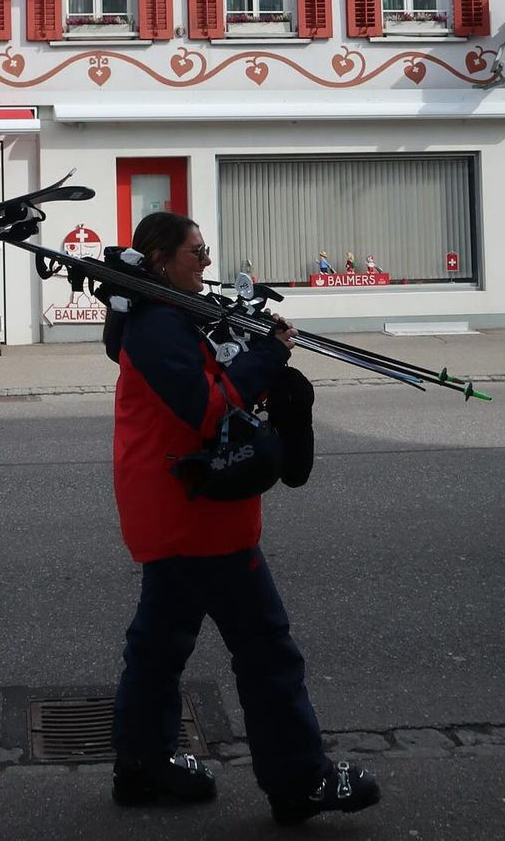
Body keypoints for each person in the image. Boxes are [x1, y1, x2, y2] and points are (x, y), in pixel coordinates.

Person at [106, 212, 380, 827]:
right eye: (195, 252)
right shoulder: (157, 325)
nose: (206, 261)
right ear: (159, 262)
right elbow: (207, 409)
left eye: (206, 250)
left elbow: (208, 382)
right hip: (196, 513)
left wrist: (251, 341)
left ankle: (143, 765)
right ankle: (299, 780)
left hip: (176, 504)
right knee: (266, 650)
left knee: (158, 647)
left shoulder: (168, 314)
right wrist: (267, 359)